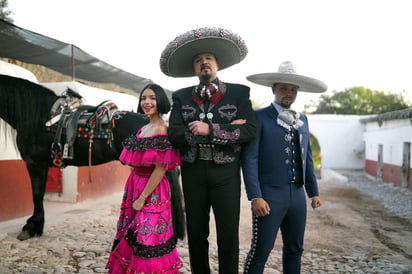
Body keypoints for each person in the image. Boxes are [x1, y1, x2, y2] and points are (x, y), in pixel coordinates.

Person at [160, 27, 257, 273]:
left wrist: (211, 130)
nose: (204, 63)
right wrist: (222, 129)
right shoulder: (181, 97)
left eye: (209, 59)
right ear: (194, 69)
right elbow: (174, 134)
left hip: (226, 174)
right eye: (198, 60)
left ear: (216, 65)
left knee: (227, 233)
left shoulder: (238, 93)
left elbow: (249, 131)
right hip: (193, 173)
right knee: (196, 232)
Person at [241, 61, 327, 274]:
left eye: (293, 89)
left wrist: (313, 192)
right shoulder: (259, 116)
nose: (288, 93)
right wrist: (255, 196)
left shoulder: (303, 120)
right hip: (269, 194)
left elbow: (305, 157)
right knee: (261, 251)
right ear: (274, 89)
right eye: (283, 88)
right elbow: (249, 158)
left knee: (295, 249)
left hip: (297, 196)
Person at [106, 83, 183, 273]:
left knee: (147, 236)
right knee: (131, 233)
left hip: (152, 189)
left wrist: (142, 198)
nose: (147, 102)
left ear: (161, 101)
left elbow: (160, 169)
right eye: (144, 98)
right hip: (135, 184)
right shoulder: (144, 128)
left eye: (152, 98)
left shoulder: (161, 129)